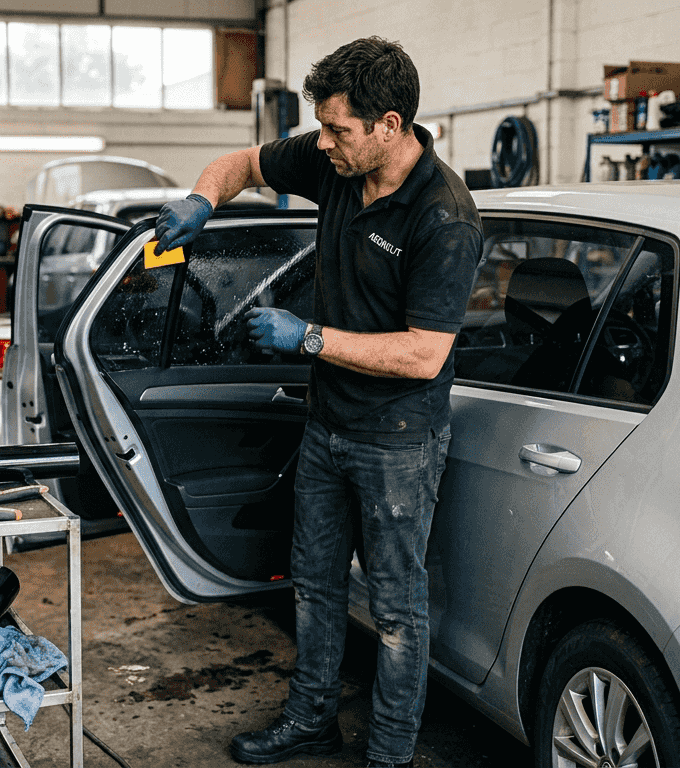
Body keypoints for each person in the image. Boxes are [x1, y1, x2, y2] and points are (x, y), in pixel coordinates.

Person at [153, 37, 483, 768]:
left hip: (397, 438)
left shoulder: (442, 216)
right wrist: (203, 199)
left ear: (389, 126)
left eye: (338, 130)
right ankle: (310, 721)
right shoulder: (333, 161)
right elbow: (242, 163)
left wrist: (309, 339)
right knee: (315, 586)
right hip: (328, 423)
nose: (323, 143)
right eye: (322, 127)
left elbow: (424, 352)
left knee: (397, 611)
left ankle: (390, 754)